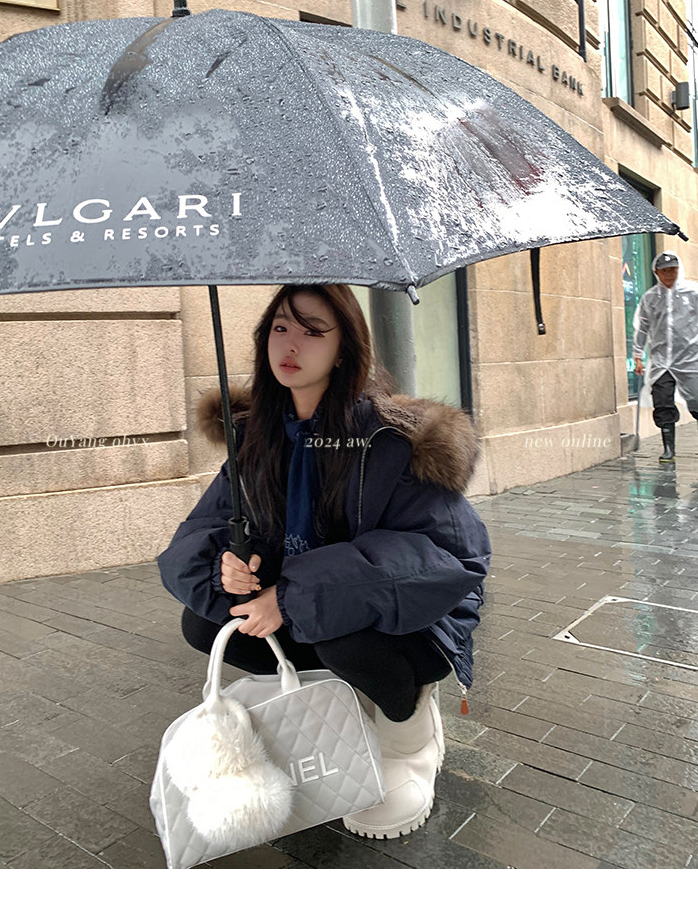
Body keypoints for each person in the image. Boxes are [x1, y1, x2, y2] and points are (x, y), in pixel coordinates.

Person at [157, 283, 491, 840]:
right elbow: (197, 533)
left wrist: (293, 597)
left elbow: (450, 557)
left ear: (344, 349)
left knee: (342, 639)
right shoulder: (256, 435)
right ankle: (348, 710)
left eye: (313, 331)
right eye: (280, 328)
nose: (291, 345)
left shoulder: (393, 439)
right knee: (205, 622)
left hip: (414, 618)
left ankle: (407, 730)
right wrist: (228, 564)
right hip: (311, 605)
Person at [633, 251, 698, 463]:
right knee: (662, 402)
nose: (669, 275)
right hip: (662, 361)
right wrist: (638, 355)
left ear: (678, 270)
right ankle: (668, 449)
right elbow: (643, 328)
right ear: (656, 273)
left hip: (691, 359)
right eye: (664, 271)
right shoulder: (650, 298)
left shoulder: (694, 292)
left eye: (672, 270)